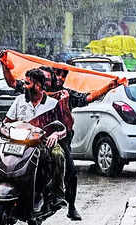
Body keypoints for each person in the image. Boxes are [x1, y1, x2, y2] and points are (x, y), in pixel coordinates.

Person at [38, 66, 118, 221]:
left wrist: (108, 86)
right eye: (57, 74)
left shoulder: (66, 95)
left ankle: (71, 205)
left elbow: (87, 98)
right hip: (34, 138)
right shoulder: (33, 91)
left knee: (71, 171)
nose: (60, 78)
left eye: (64, 75)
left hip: (60, 139)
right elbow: (13, 85)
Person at [0, 68, 68, 209]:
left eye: (27, 83)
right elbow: (7, 121)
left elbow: (63, 128)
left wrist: (56, 135)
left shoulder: (52, 104)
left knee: (58, 155)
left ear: (38, 85)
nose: (24, 86)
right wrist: (0, 128)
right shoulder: (19, 100)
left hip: (42, 143)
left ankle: (57, 194)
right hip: (17, 142)